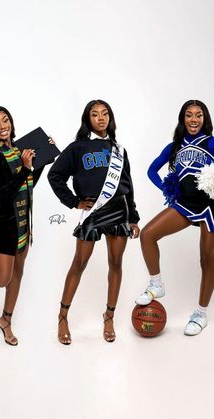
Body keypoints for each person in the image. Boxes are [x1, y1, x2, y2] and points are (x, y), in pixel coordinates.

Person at [48, 99, 140, 344]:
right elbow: (55, 175)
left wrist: (133, 217)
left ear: (110, 117)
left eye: (105, 113)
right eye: (95, 114)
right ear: (87, 119)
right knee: (79, 263)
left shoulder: (119, 150)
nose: (101, 118)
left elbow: (128, 186)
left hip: (119, 210)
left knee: (116, 264)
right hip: (93, 212)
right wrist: (74, 201)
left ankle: (109, 316)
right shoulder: (77, 148)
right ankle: (63, 316)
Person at [136, 99, 214, 336]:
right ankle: (156, 284)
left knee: (207, 260)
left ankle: (200, 314)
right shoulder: (174, 146)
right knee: (148, 234)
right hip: (185, 204)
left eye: (198, 115)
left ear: (205, 119)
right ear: (182, 119)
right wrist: (168, 188)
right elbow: (151, 170)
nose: (194, 120)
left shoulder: (211, 142)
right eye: (189, 115)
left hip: (210, 208)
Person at [0, 106, 49, 345]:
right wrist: (26, 167)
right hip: (3, 223)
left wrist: (44, 156)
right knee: (1, 278)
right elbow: (6, 193)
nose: (2, 126)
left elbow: (28, 184)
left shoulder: (18, 149)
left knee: (18, 271)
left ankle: (5, 320)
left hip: (23, 222)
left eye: (5, 120)